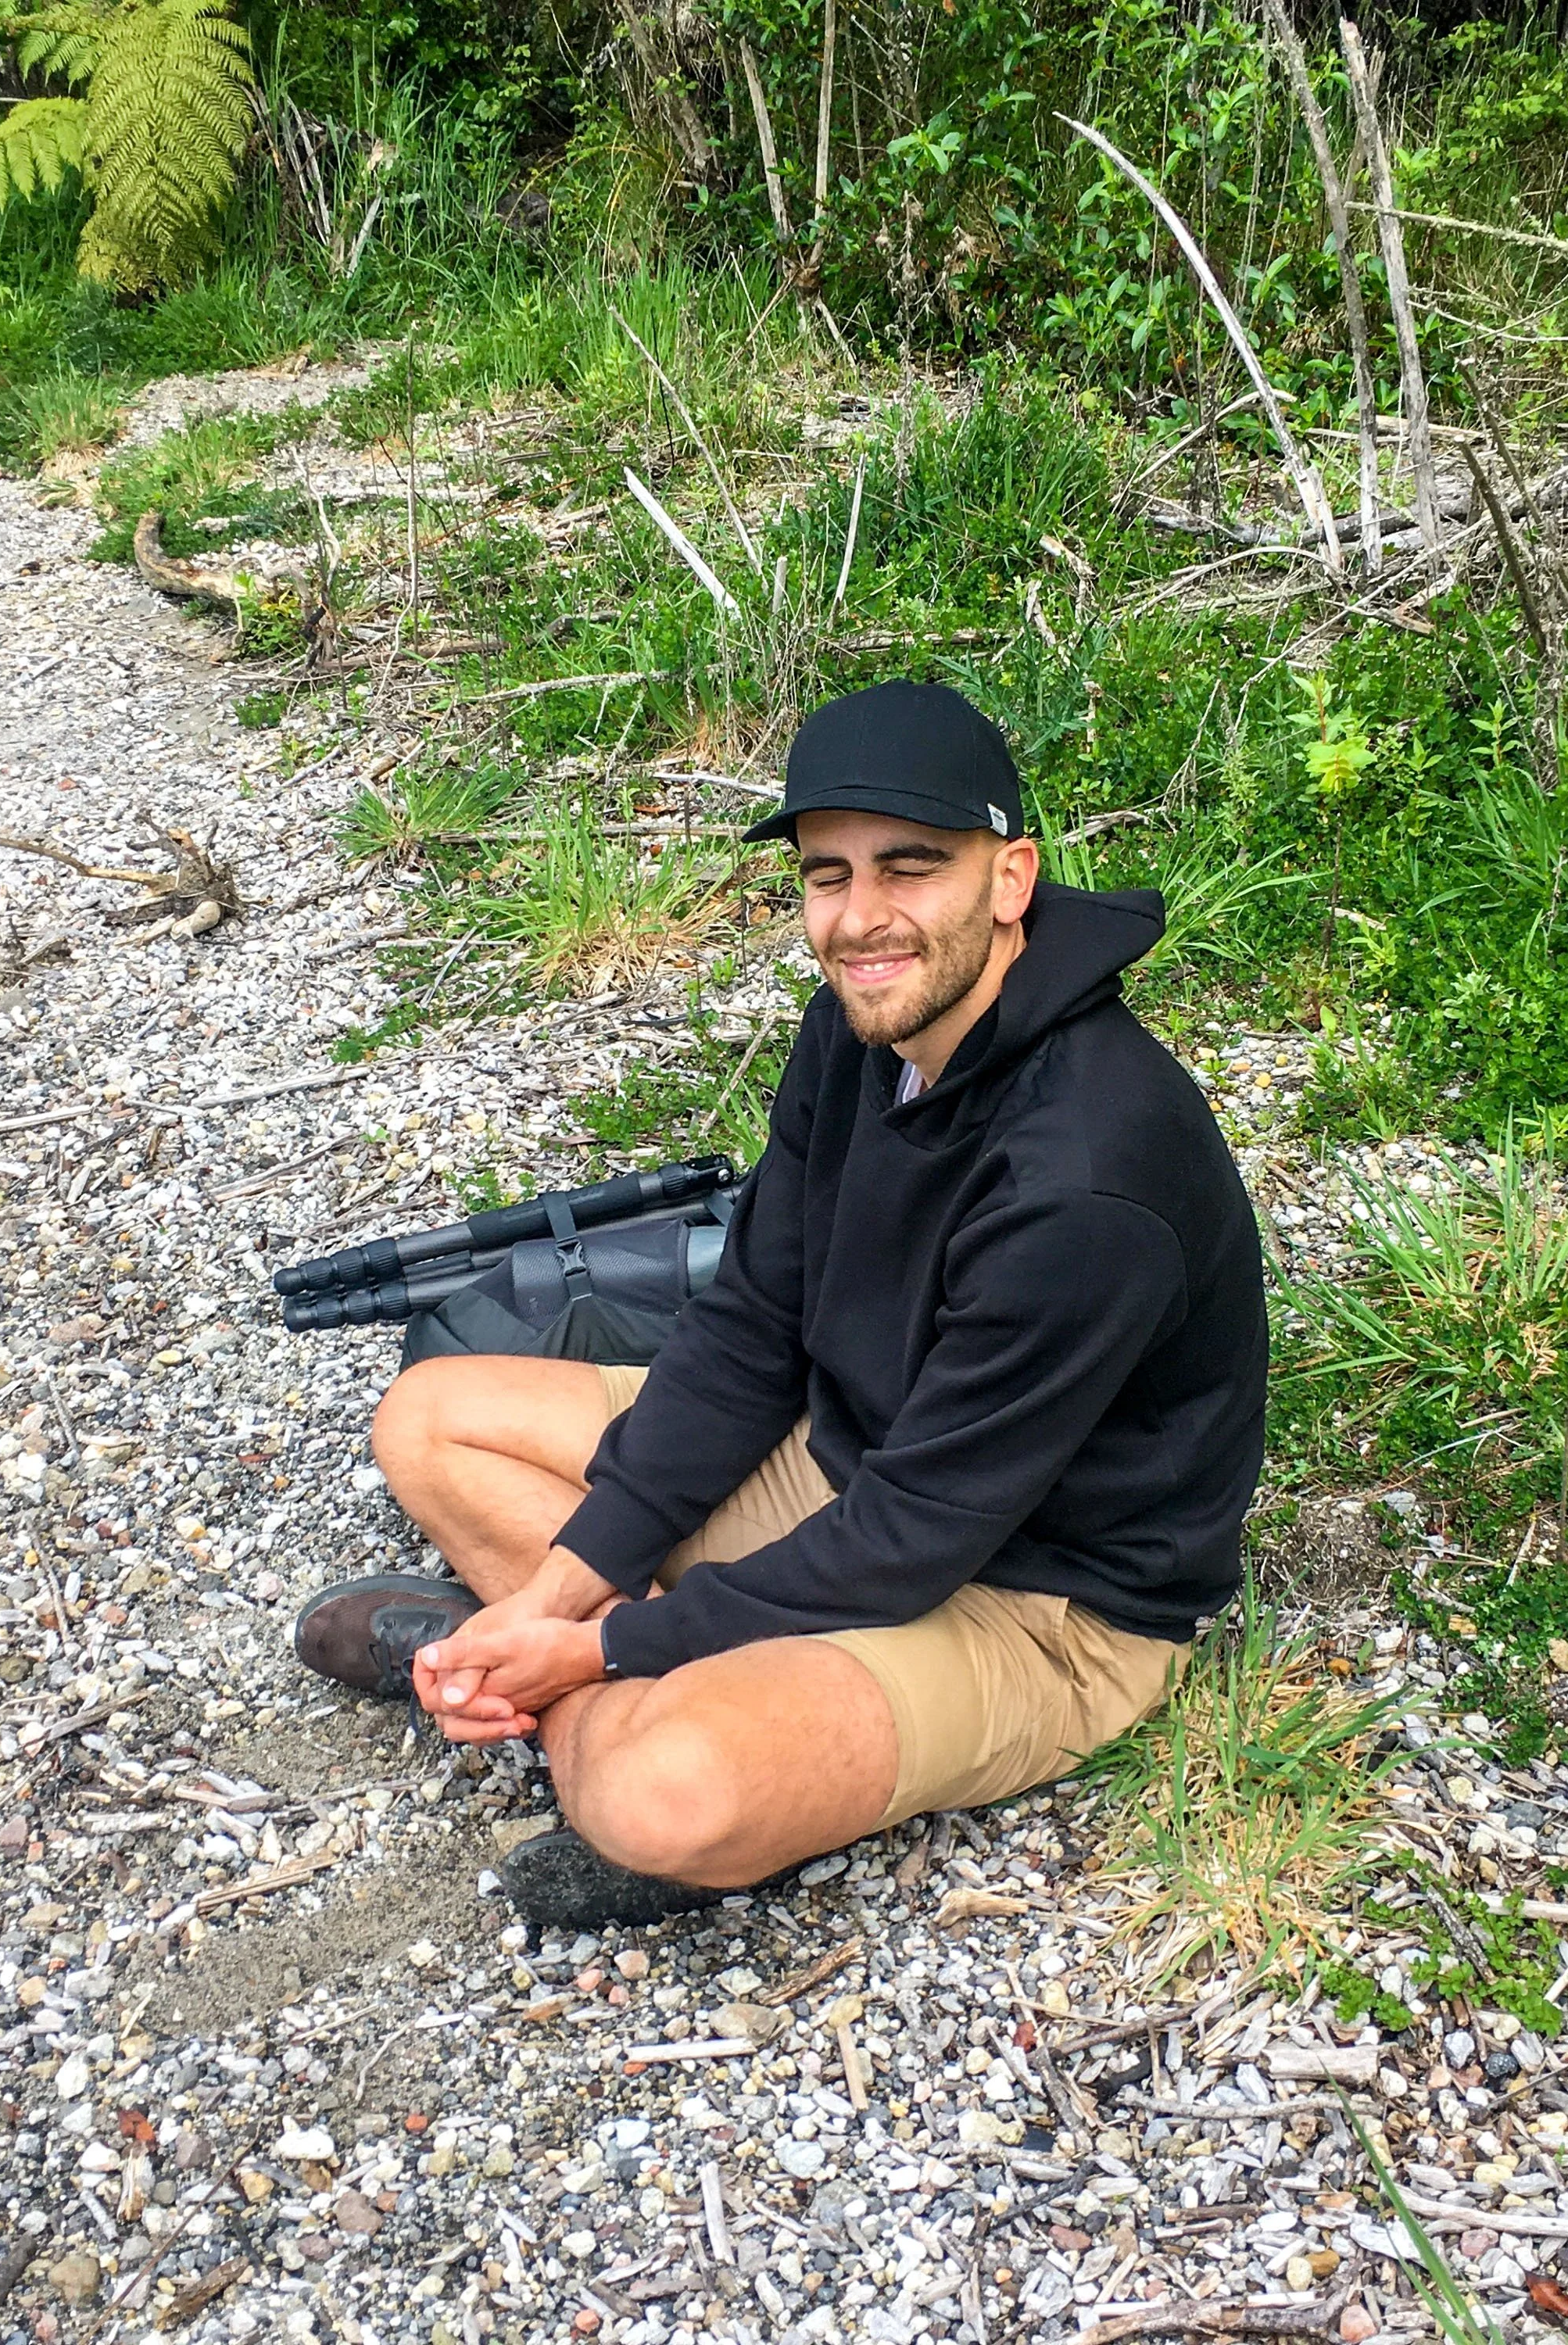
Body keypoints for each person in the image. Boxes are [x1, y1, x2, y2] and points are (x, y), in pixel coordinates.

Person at [294, 679, 1269, 1926]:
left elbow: (918, 1533)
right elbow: (755, 1322)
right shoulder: (859, 1030)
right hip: (842, 1461)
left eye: (909, 868)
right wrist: (554, 1599)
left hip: (1035, 1601)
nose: (860, 920)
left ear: (1010, 878)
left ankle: (588, 1711)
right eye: (825, 875)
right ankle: (566, 1659)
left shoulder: (1085, 1176)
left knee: (659, 1798)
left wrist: (588, 1645)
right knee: (429, 1419)